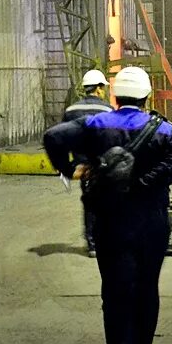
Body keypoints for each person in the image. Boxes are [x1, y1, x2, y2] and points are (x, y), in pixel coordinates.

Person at [43, 66, 172, 344]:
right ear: (147, 96)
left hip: (110, 223)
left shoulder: (95, 124)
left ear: (115, 95)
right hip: (151, 224)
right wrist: (143, 181)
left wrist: (71, 168)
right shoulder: (164, 129)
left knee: (115, 291)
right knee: (147, 288)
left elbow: (53, 137)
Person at [62, 68, 114, 254]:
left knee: (90, 202)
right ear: (99, 88)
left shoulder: (71, 111)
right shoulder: (108, 110)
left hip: (83, 166)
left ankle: (92, 245)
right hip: (105, 165)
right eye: (103, 87)